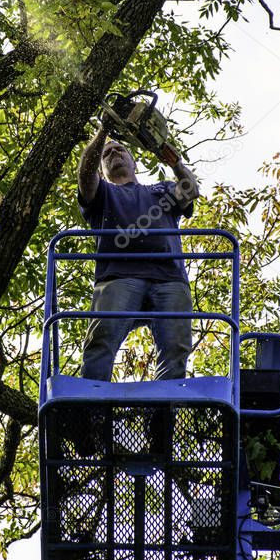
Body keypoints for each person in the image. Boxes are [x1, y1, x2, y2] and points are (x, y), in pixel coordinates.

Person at [77, 116, 201, 383]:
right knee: (102, 339)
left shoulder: (161, 189)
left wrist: (175, 163)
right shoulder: (103, 194)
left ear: (134, 162)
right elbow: (86, 175)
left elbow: (190, 192)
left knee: (175, 349)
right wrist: (103, 132)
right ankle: (90, 413)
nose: (114, 154)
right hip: (119, 277)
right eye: (107, 154)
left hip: (168, 277)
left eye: (120, 150)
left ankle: (163, 418)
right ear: (103, 166)